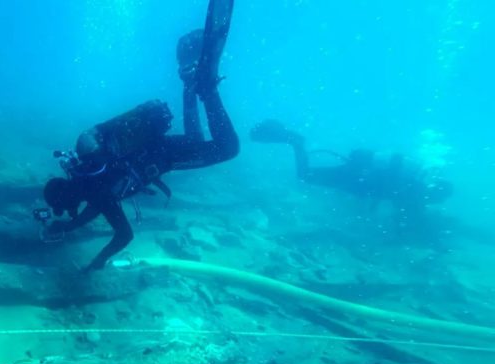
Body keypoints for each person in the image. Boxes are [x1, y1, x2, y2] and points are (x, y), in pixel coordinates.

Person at [42, 0, 239, 272]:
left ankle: (205, 88)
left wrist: (96, 264)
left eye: (65, 208)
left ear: (66, 199)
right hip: (157, 148)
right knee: (196, 138)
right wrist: (69, 226)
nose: (70, 210)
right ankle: (190, 83)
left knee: (228, 149)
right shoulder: (84, 174)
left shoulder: (93, 189)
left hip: (164, 157)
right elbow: (98, 207)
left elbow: (124, 235)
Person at [250, 119, 454, 232]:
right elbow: (399, 210)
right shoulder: (416, 190)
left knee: (308, 177)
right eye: (438, 199)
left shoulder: (416, 183)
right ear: (436, 192)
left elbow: (390, 194)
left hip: (360, 177)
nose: (435, 202)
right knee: (305, 176)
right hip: (358, 178)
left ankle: (294, 141)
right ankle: (296, 142)